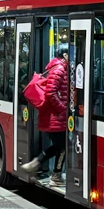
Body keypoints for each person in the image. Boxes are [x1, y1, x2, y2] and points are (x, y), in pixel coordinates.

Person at [21, 46, 70, 187]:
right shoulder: (59, 70)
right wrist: (63, 109)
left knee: (59, 145)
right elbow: (51, 92)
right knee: (62, 146)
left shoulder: (60, 68)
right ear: (65, 55)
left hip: (54, 116)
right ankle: (55, 176)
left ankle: (35, 164)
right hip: (55, 117)